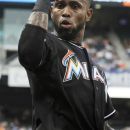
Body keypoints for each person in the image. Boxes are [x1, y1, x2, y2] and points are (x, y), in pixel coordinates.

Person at [18, 0, 116, 130]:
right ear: (51, 12)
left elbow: (102, 123)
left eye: (75, 6)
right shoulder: (46, 45)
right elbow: (28, 51)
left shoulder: (97, 70)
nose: (65, 12)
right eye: (60, 6)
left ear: (88, 14)